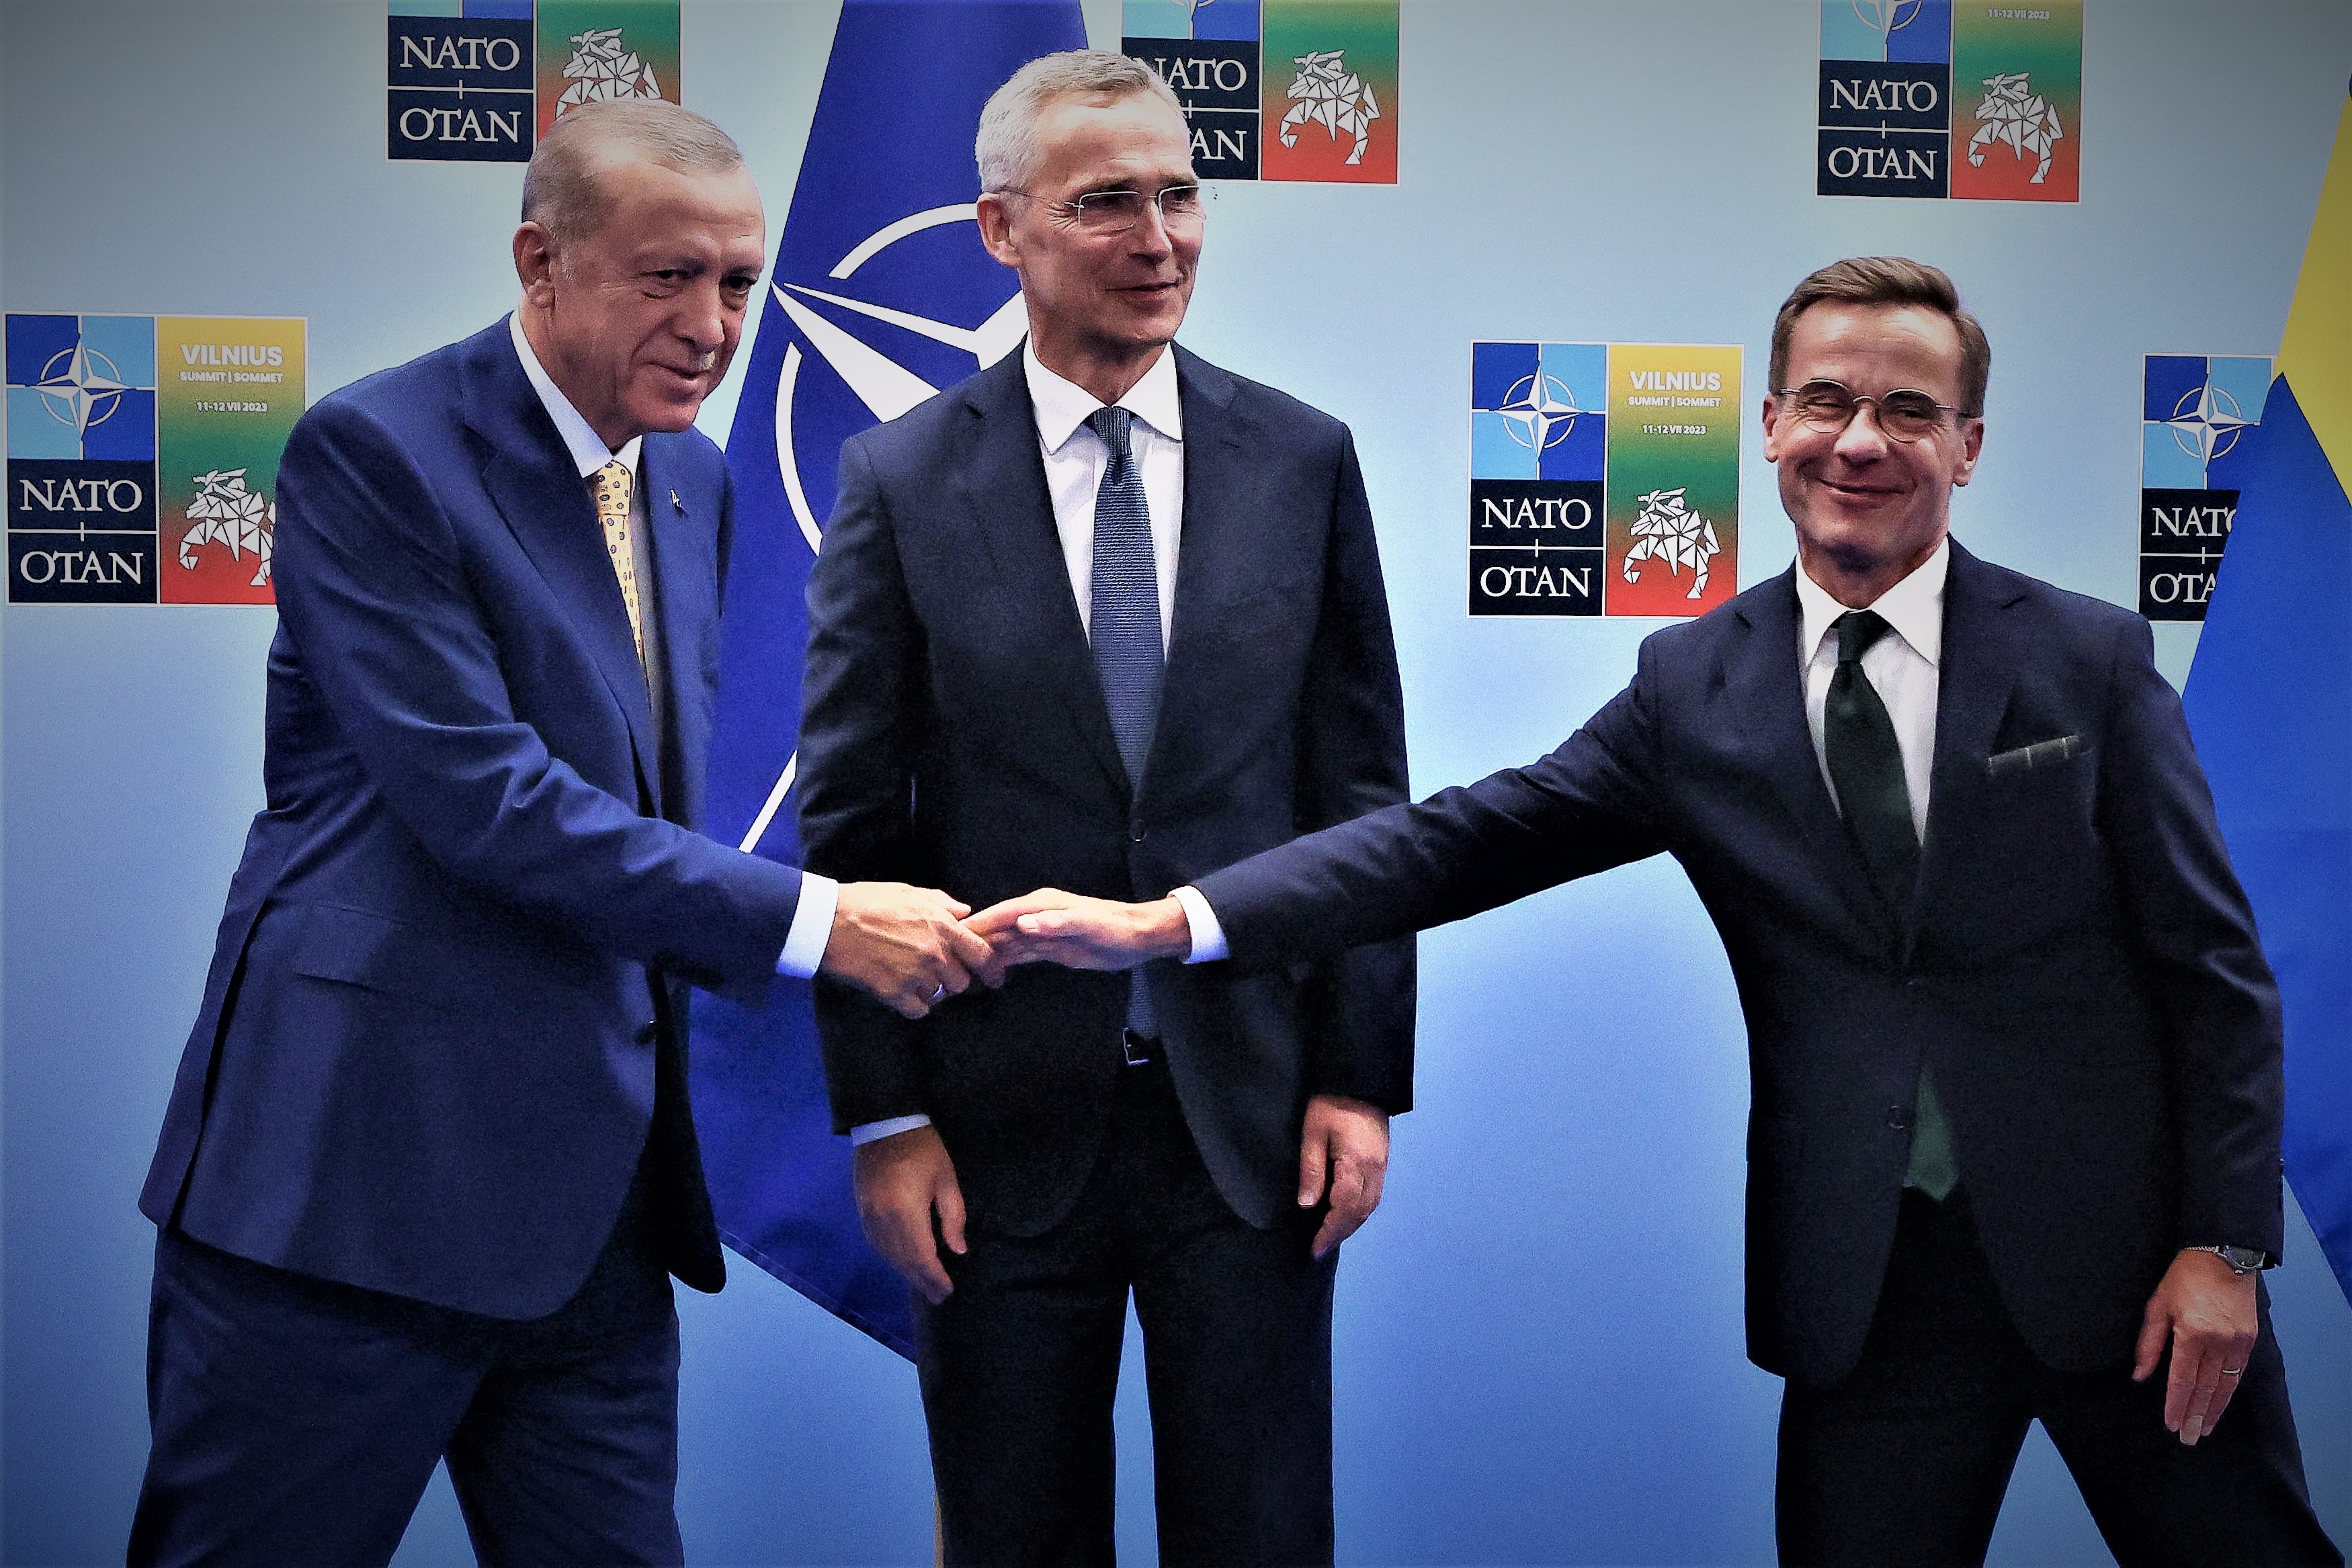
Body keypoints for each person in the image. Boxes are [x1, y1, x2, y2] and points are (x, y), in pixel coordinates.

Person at [977, 258, 2343, 1567]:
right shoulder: (1694, 689)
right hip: (1865, 1297)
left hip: (2139, 1282)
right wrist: (1179, 921)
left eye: (1908, 410)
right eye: (1826, 400)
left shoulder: (2088, 659)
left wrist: (2222, 1245)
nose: (1860, 440)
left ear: (1967, 447)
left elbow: (2214, 972)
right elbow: (1459, 842)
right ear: (1771, 424)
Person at [128, 99, 989, 1567]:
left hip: (595, 1220)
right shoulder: (376, 451)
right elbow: (489, 801)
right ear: (541, 263)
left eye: (738, 283)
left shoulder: (693, 477)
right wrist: (821, 923)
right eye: (668, 277)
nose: (712, 327)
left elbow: (646, 799)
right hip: (353, 1193)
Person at [797, 49, 1415, 1567]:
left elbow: (1360, 801)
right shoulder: (897, 479)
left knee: (1260, 1535)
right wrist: (886, 1115)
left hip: (1253, 1123)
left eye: (1179, 195)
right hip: (990, 1136)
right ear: (1000, 230)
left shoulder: (1305, 459)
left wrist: (1358, 1078)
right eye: (1106, 203)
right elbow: (854, 828)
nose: (1159, 238)